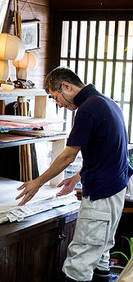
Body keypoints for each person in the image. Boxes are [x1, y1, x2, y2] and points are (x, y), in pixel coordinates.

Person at [16, 67, 132, 282]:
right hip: (115, 189)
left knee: (78, 263)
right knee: (100, 255)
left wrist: (37, 183)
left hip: (101, 196)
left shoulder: (87, 109)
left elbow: (68, 155)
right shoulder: (106, 102)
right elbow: (107, 150)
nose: (59, 104)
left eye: (56, 97)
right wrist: (78, 176)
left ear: (66, 86)